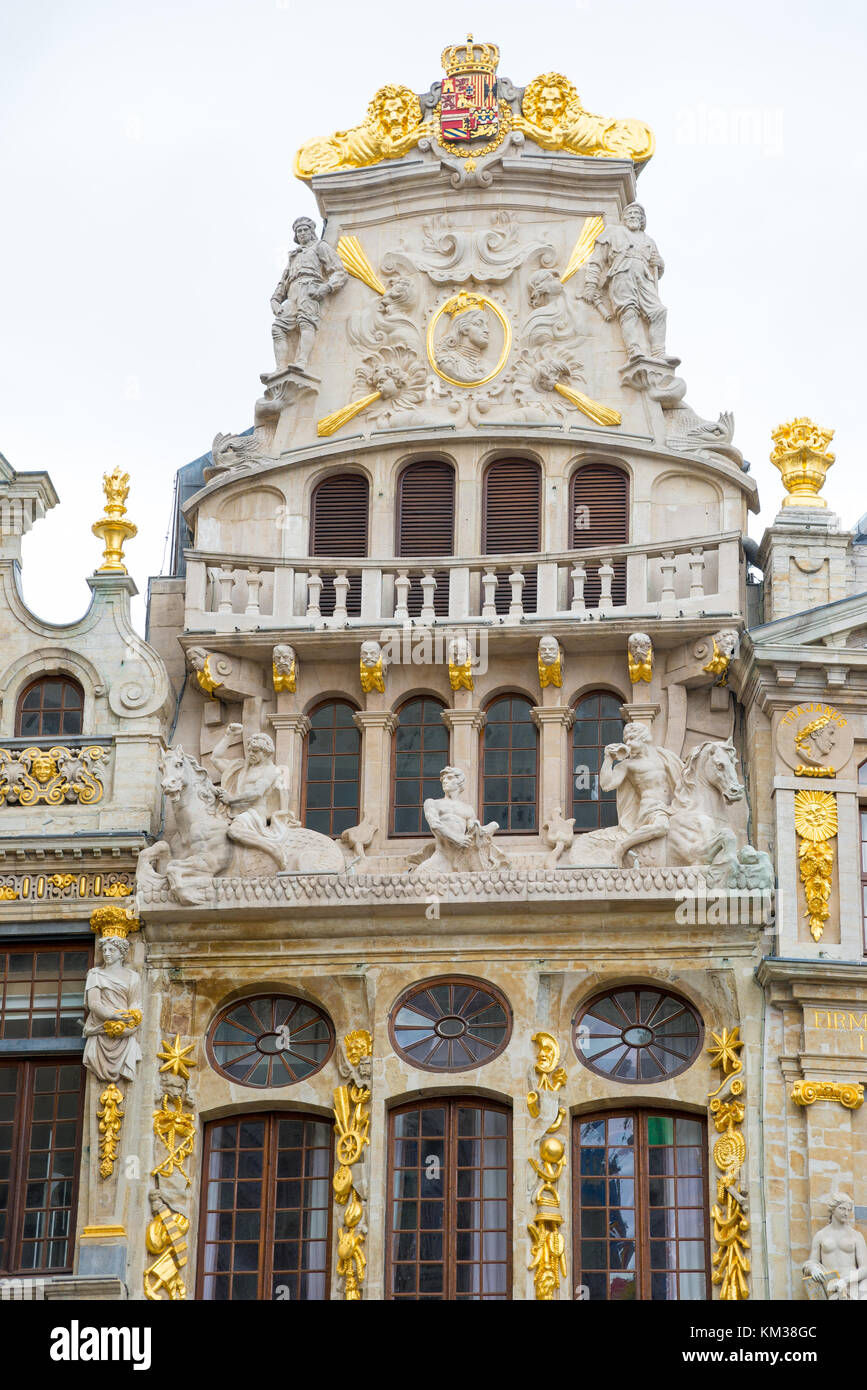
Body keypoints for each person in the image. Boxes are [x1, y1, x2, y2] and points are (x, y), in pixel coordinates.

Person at [581, 203, 667, 360]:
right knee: (628, 310)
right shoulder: (613, 232)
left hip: (645, 277)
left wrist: (660, 264)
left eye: (637, 214)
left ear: (642, 220)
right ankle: (633, 349)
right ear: (623, 218)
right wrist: (591, 284)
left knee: (659, 311)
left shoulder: (649, 241)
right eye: (629, 213)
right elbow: (597, 260)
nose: (633, 216)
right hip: (622, 273)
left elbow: (657, 269)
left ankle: (658, 352)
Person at [211, 725, 299, 867]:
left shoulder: (271, 771)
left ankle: (273, 850)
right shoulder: (241, 768)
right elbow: (215, 758)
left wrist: (230, 799)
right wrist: (229, 735)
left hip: (254, 814)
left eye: (255, 751)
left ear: (266, 752)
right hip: (232, 812)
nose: (251, 753)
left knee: (234, 831)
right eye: (250, 750)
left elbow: (257, 792)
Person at [270, 217, 348, 372]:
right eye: (299, 231)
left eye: (306, 229)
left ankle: (302, 362)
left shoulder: (320, 246)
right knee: (278, 328)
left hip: (310, 287)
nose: (303, 233)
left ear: (312, 231)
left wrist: (326, 288)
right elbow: (284, 280)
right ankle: (280, 368)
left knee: (306, 322)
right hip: (292, 292)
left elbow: (339, 271)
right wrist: (275, 299)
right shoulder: (294, 255)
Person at [600, 722, 682, 864]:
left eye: (631, 739)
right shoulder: (627, 765)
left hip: (672, 806)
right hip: (651, 808)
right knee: (662, 827)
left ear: (643, 738)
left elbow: (685, 776)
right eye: (626, 740)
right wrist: (608, 759)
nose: (628, 743)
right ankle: (622, 847)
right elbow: (606, 785)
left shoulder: (664, 756)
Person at [416, 766, 503, 873]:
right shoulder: (432, 803)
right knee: (420, 875)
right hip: (442, 856)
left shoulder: (468, 809)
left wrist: (488, 827)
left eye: (449, 778)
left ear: (459, 781)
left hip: (462, 858)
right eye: (443, 779)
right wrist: (457, 838)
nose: (445, 781)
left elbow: (473, 833)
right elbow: (435, 825)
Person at [82, 934, 142, 1083]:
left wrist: (133, 1017)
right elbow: (94, 1003)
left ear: (121, 953)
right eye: (105, 950)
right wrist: (113, 1016)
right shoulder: (95, 974)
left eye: (112, 950)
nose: (107, 954)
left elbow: (134, 1002)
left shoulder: (133, 977)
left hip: (124, 1028)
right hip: (103, 1027)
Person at [803, 1192, 867, 1299]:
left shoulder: (856, 1236)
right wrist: (813, 1269)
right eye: (842, 1209)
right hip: (829, 1287)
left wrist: (845, 1280)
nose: (846, 1213)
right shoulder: (820, 1235)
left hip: (851, 1286)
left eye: (849, 1210)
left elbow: (865, 1269)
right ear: (833, 1209)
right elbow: (812, 1261)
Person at [436, 309, 491, 382]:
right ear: (464, 329)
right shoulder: (449, 363)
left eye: (486, 325)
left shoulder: (488, 366)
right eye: (478, 324)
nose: (487, 330)